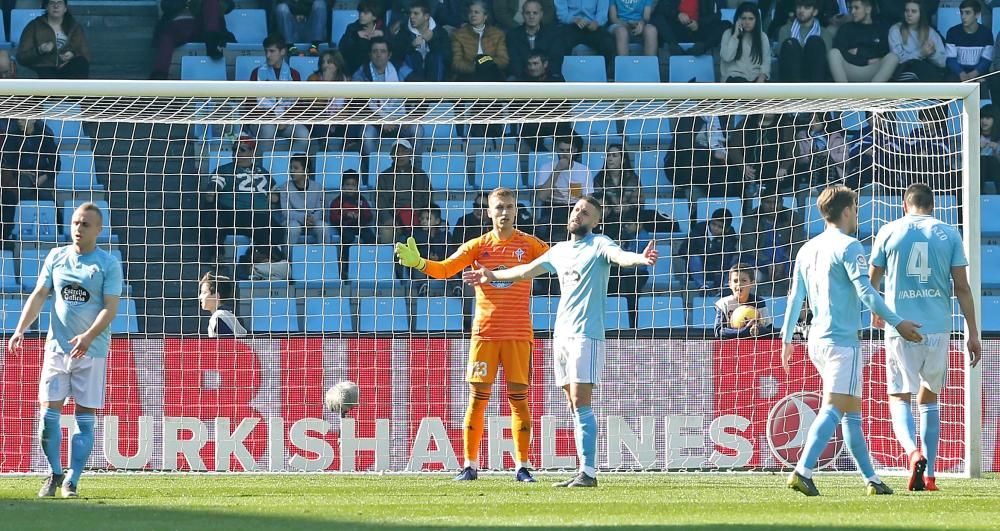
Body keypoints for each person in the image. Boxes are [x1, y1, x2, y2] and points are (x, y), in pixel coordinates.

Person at [462, 195, 658, 487]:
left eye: (586, 212)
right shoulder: (561, 250)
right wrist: (491, 275)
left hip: (586, 335)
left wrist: (639, 259)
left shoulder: (600, 243)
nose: (579, 214)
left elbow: (620, 256)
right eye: (577, 209)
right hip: (562, 335)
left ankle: (589, 473)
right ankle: (583, 471)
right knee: (572, 403)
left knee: (581, 402)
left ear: (596, 221)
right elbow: (525, 271)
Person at [395, 187, 549, 482]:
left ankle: (522, 466)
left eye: (509, 207)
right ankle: (469, 465)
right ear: (488, 212)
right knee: (477, 399)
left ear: (516, 210)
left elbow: (560, 261)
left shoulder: (529, 245)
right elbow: (444, 270)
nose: (504, 212)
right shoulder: (477, 246)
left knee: (519, 400)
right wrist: (418, 263)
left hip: (518, 334)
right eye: (499, 207)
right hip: (484, 335)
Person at [781, 184, 923, 497]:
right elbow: (866, 292)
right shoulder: (849, 246)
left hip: (815, 340)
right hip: (842, 342)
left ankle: (872, 479)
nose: (857, 215)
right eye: (856, 209)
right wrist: (897, 322)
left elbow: (795, 298)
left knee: (851, 412)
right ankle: (802, 471)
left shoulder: (807, 248)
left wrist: (786, 337)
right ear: (847, 211)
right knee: (834, 408)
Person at [868, 183, 981, 492]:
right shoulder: (949, 233)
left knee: (899, 395)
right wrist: (972, 333)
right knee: (930, 396)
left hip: (901, 327)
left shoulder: (889, 231)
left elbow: (871, 281)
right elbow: (963, 287)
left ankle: (912, 453)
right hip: (938, 328)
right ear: (932, 206)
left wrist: (875, 313)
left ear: (905, 205)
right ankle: (929, 474)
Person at [7, 203, 123, 498]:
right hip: (56, 350)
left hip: (92, 351)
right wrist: (20, 329)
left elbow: (110, 309)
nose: (78, 229)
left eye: (85, 224)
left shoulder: (107, 263)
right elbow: (40, 294)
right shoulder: (57, 256)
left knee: (84, 417)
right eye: (75, 223)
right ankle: (55, 472)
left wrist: (88, 336)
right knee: (48, 419)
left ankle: (72, 479)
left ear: (99, 229)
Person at [199, 135, 278, 263]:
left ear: (252, 152)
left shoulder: (264, 172)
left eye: (242, 150)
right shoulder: (225, 169)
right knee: (211, 213)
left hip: (256, 216)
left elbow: (275, 198)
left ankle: (264, 258)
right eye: (235, 149)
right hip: (231, 213)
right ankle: (217, 255)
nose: (237, 153)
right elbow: (210, 194)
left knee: (276, 228)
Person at [249, 35, 310, 153]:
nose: (268, 55)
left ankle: (292, 167)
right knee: (268, 131)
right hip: (263, 121)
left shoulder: (294, 75)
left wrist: (285, 119)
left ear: (282, 51)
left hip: (287, 121)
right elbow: (250, 105)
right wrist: (273, 118)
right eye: (266, 51)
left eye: (272, 51)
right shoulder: (256, 73)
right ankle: (263, 168)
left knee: (303, 135)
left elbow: (298, 105)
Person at [151, 0, 232, 79]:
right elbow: (166, 6)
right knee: (167, 36)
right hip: (177, 25)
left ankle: (211, 42)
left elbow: (229, 6)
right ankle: (159, 75)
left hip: (204, 26)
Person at [535, 135, 594, 241]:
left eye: (568, 150)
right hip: (551, 207)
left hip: (574, 207)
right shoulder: (546, 167)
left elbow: (588, 200)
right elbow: (541, 197)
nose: (565, 154)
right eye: (562, 150)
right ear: (557, 150)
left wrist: (577, 196)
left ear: (575, 151)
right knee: (543, 229)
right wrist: (557, 170)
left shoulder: (584, 170)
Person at [16, 0, 91, 79]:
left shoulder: (74, 27)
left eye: (59, 2)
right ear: (46, 7)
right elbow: (21, 57)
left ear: (65, 8)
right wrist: (39, 50)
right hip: (43, 68)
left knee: (80, 63)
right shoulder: (34, 26)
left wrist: (73, 54)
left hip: (68, 68)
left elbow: (86, 54)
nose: (56, 6)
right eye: (52, 2)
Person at [827, 0, 898, 83]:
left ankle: (871, 93)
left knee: (893, 57)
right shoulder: (845, 28)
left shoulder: (880, 29)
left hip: (873, 71)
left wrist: (859, 51)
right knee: (833, 53)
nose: (852, 12)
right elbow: (840, 51)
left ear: (868, 9)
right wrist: (866, 60)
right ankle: (844, 93)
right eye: (851, 8)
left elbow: (883, 54)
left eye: (856, 8)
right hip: (849, 69)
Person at [739, 193, 803, 284]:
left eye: (776, 202)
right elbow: (750, 247)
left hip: (787, 261)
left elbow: (797, 244)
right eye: (768, 202)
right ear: (761, 202)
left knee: (800, 274)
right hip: (759, 262)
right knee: (750, 276)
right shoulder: (751, 218)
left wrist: (784, 262)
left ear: (782, 202)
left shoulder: (793, 217)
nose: (772, 206)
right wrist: (767, 262)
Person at [0, 118, 60, 203]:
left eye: (23, 120)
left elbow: (56, 162)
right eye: (18, 120)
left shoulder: (45, 136)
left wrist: (45, 176)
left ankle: (56, 215)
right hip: (22, 174)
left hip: (44, 173)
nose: (19, 122)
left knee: (45, 193)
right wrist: (22, 172)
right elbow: (9, 161)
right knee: (24, 187)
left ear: (33, 120)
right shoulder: (13, 137)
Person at [680, 207, 740, 291]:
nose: (715, 228)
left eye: (720, 227)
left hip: (719, 268)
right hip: (700, 267)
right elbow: (683, 250)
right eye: (714, 224)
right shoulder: (699, 229)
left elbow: (727, 255)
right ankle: (702, 286)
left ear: (726, 229)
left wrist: (719, 275)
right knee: (694, 257)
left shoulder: (730, 234)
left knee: (734, 257)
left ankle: (725, 286)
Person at [276, 154, 330, 245]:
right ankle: (288, 257)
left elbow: (320, 209)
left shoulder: (317, 187)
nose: (292, 171)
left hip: (312, 221)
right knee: (294, 228)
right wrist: (303, 218)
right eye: (291, 168)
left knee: (323, 227)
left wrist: (312, 219)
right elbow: (285, 211)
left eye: (296, 168)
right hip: (292, 221)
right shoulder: (285, 187)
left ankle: (325, 257)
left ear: (306, 171)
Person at [375, 138, 431, 225]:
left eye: (404, 152)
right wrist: (388, 219)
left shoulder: (421, 175)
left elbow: (428, 198)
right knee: (387, 231)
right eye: (396, 152)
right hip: (394, 219)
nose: (400, 155)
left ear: (410, 154)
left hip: (419, 218)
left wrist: (423, 218)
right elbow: (380, 202)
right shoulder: (384, 177)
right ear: (392, 156)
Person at [392, 0, 451, 81]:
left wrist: (432, 41)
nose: (411, 16)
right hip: (413, 75)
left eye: (416, 13)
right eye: (410, 13)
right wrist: (411, 46)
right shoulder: (403, 31)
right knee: (415, 56)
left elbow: (447, 57)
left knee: (433, 57)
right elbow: (395, 57)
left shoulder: (440, 32)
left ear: (426, 16)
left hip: (435, 75)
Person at [451, 0, 510, 81]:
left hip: (492, 73)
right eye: (470, 12)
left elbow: (503, 60)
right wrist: (476, 66)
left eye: (476, 12)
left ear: (485, 16)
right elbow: (456, 63)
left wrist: (487, 62)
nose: (473, 15)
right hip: (469, 74)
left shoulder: (497, 34)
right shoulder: (458, 35)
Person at [888, 0, 947, 81]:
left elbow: (943, 62)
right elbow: (897, 61)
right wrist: (921, 53)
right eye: (907, 11)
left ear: (921, 14)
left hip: (927, 71)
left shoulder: (930, 32)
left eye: (914, 11)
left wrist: (932, 54)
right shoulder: (896, 30)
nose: (909, 14)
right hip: (903, 71)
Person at [777, 0, 834, 82]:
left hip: (815, 74)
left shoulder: (825, 33)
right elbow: (782, 58)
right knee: (791, 44)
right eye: (799, 7)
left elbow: (825, 61)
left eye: (806, 7)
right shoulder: (785, 29)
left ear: (815, 12)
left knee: (815, 42)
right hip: (791, 76)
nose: (801, 10)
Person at [506, 0, 564, 80]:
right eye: (528, 13)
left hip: (547, 76)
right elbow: (515, 62)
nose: (531, 16)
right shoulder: (513, 35)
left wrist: (541, 74)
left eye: (535, 13)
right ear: (523, 15)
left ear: (541, 14)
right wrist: (530, 72)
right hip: (523, 77)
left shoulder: (553, 34)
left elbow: (555, 60)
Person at [714, 263, 773, 339]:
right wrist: (744, 331)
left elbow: (771, 330)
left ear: (752, 283)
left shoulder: (758, 302)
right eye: (735, 281)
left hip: (755, 347)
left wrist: (759, 330)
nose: (739, 284)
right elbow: (718, 331)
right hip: (730, 347)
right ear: (730, 284)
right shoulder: (723, 304)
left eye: (744, 280)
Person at [554, 0, 615, 71]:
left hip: (593, 26)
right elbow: (561, 14)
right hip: (571, 25)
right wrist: (574, 19)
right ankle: (557, 76)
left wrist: (597, 22)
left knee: (607, 43)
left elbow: (602, 13)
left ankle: (603, 74)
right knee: (558, 42)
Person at [650, 0, 723, 56]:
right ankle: (675, 48)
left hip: (699, 31)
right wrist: (677, 14)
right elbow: (661, 8)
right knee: (656, 17)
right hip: (676, 31)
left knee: (726, 25)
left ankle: (702, 48)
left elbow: (716, 16)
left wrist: (698, 23)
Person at [720, 2, 770, 82]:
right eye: (744, 18)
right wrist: (735, 36)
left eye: (751, 19)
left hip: (756, 76)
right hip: (734, 76)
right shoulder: (728, 34)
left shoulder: (762, 37)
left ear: (756, 20)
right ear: (738, 19)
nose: (747, 22)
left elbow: (766, 61)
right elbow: (727, 57)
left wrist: (762, 76)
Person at [944, 0, 993, 82]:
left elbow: (986, 60)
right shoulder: (952, 32)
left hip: (979, 73)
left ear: (977, 14)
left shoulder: (986, 33)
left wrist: (973, 74)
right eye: (961, 13)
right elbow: (950, 59)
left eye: (967, 13)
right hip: (957, 73)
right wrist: (961, 73)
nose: (963, 17)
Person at [339, 1, 386, 75]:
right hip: (355, 68)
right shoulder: (352, 28)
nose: (361, 15)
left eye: (365, 13)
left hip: (378, 68)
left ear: (374, 16)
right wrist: (355, 37)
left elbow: (393, 49)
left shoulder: (383, 30)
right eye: (360, 12)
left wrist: (383, 35)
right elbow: (342, 48)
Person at [198, 270, 247, 337]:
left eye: (204, 292)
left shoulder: (218, 316)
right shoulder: (225, 315)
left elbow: (228, 344)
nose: (200, 297)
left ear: (217, 295)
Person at [980, 103, 1000, 193]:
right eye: (982, 118)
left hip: (995, 171)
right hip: (978, 172)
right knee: (983, 160)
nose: (984, 121)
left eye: (988, 118)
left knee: (991, 161)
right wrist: (977, 149)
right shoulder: (972, 136)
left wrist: (997, 149)